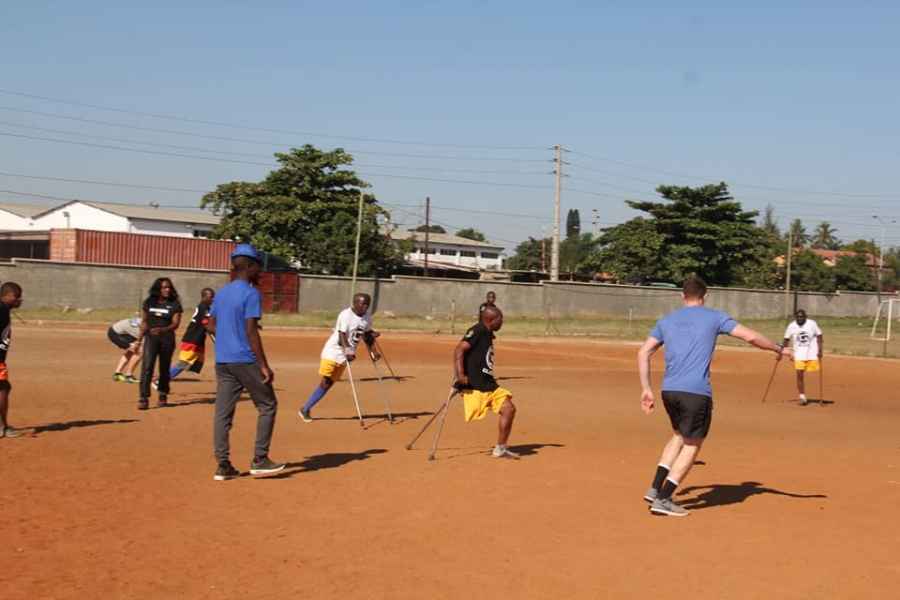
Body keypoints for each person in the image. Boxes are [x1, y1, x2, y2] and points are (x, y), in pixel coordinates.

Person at [637, 276, 790, 517]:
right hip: (696, 392)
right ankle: (663, 499)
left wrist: (646, 388)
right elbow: (750, 337)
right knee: (692, 444)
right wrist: (779, 348)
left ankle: (655, 488)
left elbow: (644, 352)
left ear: (682, 296)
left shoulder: (666, 320)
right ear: (705, 296)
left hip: (670, 391)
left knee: (679, 435)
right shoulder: (715, 317)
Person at [208, 244, 284, 481]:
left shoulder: (222, 293)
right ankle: (260, 460)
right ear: (249, 266)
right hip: (245, 360)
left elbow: (210, 325)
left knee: (223, 414)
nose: (260, 271)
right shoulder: (251, 294)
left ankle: (223, 465)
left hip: (223, 361)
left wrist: (227, 337)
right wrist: (263, 365)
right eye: (258, 266)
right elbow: (251, 331)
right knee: (268, 405)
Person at [299, 293, 379, 422]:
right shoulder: (346, 315)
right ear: (355, 303)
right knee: (325, 381)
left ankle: (305, 409)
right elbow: (341, 335)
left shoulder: (367, 317)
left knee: (328, 383)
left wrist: (373, 351)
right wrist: (348, 351)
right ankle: (305, 409)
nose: (365, 307)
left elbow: (366, 334)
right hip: (333, 352)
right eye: (362, 304)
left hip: (345, 357)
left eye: (367, 304)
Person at [453, 305, 519, 459]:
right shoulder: (477, 330)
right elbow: (459, 350)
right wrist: (460, 375)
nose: (502, 322)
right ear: (491, 320)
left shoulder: (488, 333)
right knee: (504, 409)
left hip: (488, 383)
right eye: (500, 319)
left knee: (509, 409)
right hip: (475, 385)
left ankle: (500, 448)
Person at [138, 278, 182, 410]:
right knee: (147, 367)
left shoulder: (174, 304)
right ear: (158, 289)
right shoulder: (149, 302)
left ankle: (163, 394)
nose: (167, 290)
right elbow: (144, 321)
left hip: (167, 339)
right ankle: (143, 397)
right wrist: (139, 338)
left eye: (169, 287)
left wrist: (162, 330)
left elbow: (175, 324)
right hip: (151, 339)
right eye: (164, 287)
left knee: (164, 368)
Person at [156, 288, 214, 385]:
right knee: (184, 362)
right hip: (192, 339)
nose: (213, 299)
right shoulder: (203, 308)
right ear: (204, 297)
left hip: (198, 340)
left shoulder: (206, 308)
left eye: (213, 297)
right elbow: (207, 326)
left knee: (197, 360)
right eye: (211, 297)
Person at [783, 309, 823, 406]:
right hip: (799, 354)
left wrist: (820, 349)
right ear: (795, 317)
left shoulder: (812, 323)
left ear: (805, 317)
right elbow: (786, 339)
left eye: (801, 317)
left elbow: (819, 335)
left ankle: (813, 396)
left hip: (811, 352)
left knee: (812, 372)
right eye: (798, 317)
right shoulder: (791, 326)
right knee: (799, 374)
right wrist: (783, 351)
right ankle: (802, 397)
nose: (800, 319)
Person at [0, 282, 23, 439]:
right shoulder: (1, 310)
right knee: (2, 388)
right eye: (17, 297)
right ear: (8, 295)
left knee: (4, 387)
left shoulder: (4, 309)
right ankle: (2, 427)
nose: (19, 300)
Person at [108, 316, 143, 383]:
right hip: (116, 334)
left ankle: (117, 374)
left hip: (120, 332)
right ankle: (129, 376)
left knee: (132, 350)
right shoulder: (143, 329)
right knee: (140, 351)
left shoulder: (147, 322)